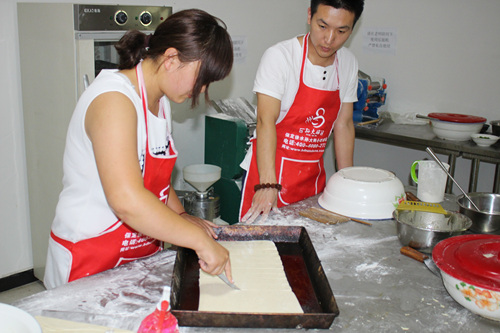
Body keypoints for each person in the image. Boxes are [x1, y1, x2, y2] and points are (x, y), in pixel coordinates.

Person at [44, 9, 234, 289]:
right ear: (171, 59)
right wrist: (198, 240)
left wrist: (181, 216)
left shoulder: (160, 102)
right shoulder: (114, 100)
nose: (203, 89)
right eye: (202, 78)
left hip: (135, 256)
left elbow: (154, 177)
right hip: (88, 257)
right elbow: (126, 199)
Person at [239, 0, 364, 223]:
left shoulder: (348, 63)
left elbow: (343, 125)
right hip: (268, 175)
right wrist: (268, 185)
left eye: (341, 31)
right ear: (309, 16)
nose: (329, 39)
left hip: (311, 179)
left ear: (352, 29)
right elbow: (265, 121)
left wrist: (348, 185)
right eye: (322, 26)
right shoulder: (281, 57)